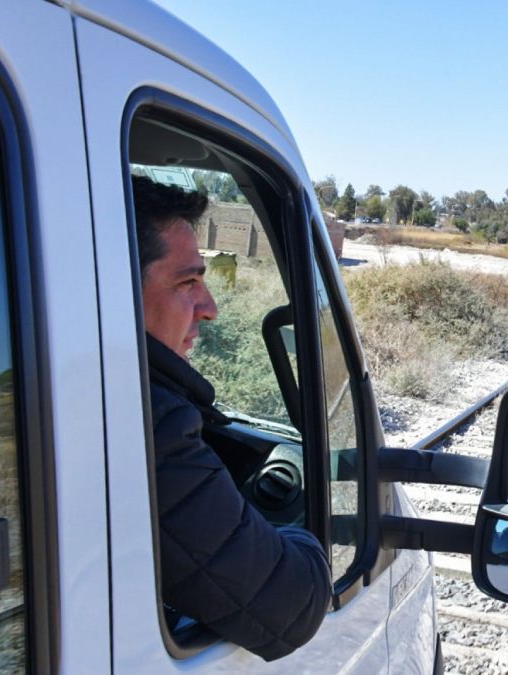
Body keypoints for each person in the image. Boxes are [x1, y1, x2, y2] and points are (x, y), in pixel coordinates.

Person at [132, 175, 330, 661]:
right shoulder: (145, 423)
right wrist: (296, 535)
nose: (211, 308)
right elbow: (289, 607)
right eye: (187, 282)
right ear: (114, 290)